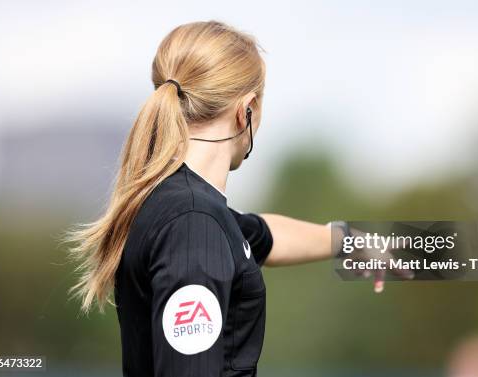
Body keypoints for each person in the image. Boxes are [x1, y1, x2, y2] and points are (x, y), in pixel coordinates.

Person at [67, 20, 409, 377]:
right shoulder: (194, 225)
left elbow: (262, 235)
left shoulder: (187, 209)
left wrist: (348, 241)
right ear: (246, 110)